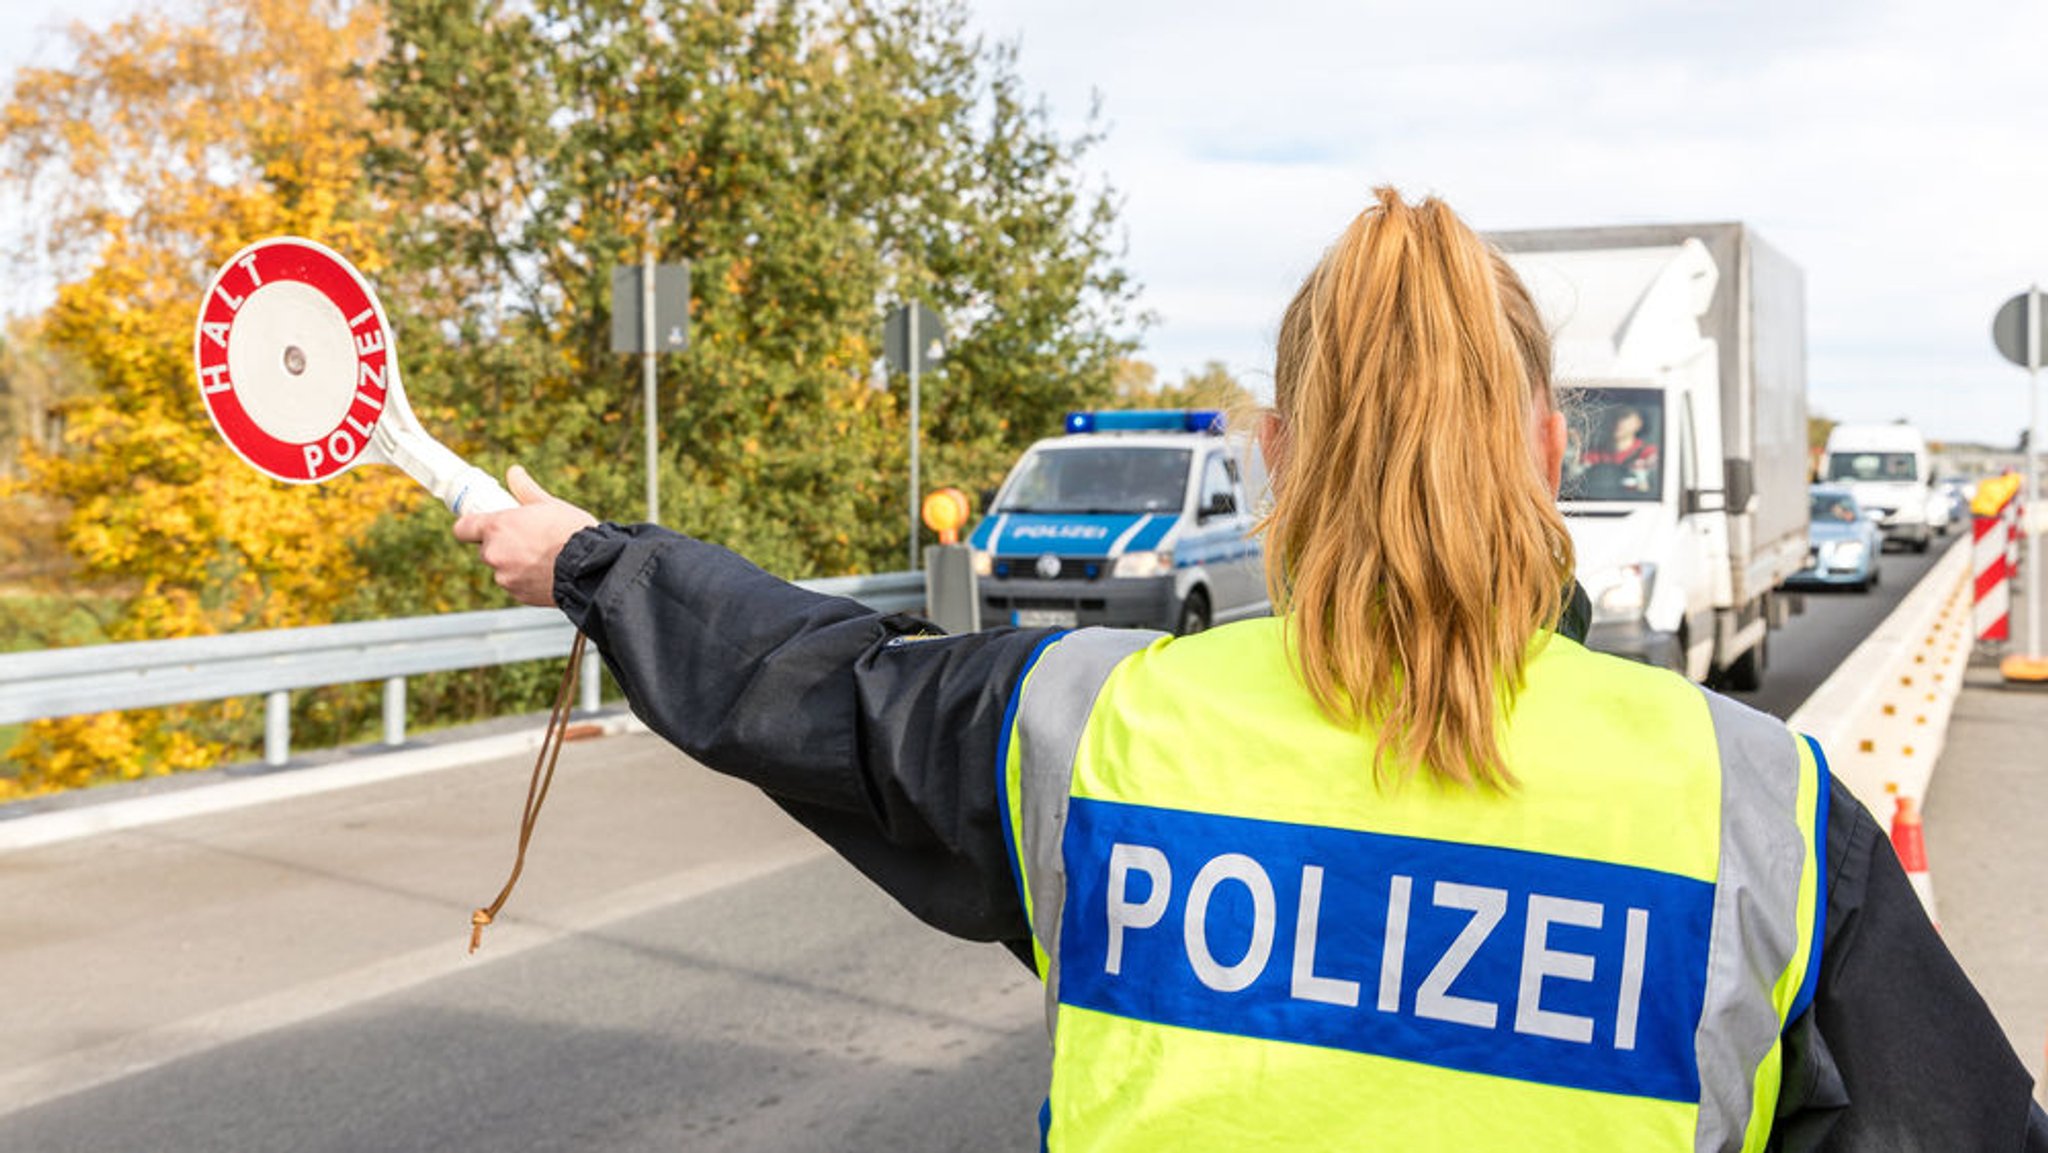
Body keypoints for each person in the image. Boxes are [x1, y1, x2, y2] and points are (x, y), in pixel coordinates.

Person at [455, 188, 2048, 1151]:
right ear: (1551, 448)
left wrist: (591, 560)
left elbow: (812, 683)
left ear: (1279, 456)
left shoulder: (1093, 729)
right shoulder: (1758, 807)